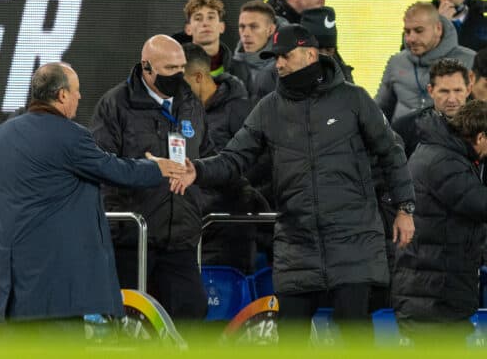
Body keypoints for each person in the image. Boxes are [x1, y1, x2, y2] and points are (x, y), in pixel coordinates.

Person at [171, 24, 415, 343]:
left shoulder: (353, 99)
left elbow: (391, 152)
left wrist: (405, 208)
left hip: (352, 238)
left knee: (355, 331)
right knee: (290, 338)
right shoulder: (269, 109)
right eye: (275, 58)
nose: (279, 64)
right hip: (297, 243)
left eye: (285, 56)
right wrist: (197, 171)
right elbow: (234, 158)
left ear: (310, 54)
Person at [0, 62, 185, 322]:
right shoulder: (72, 137)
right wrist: (157, 168)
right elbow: (116, 171)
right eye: (76, 90)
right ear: (62, 94)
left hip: (6, 285)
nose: (80, 96)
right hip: (54, 284)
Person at [90, 35, 214, 320]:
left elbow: (207, 155)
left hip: (180, 236)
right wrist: (147, 170)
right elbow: (100, 164)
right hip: (131, 240)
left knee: (192, 312)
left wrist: (197, 184)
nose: (179, 75)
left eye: (182, 67)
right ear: (146, 67)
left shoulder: (190, 103)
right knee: (130, 324)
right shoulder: (115, 104)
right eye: (170, 69)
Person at [391, 100, 487, 344]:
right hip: (432, 297)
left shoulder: (442, 152)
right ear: (481, 137)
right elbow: (480, 205)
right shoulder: (445, 162)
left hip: (433, 290)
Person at [182, 43, 265, 274]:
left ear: (198, 77)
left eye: (181, 81)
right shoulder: (183, 112)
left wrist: (225, 187)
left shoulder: (240, 110)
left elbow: (256, 163)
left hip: (228, 226)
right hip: (194, 226)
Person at [375, 2, 475, 123]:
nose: (410, 38)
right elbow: (379, 110)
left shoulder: (470, 60)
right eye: (407, 31)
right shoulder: (396, 62)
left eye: (419, 31)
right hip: (401, 138)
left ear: (438, 29)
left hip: (452, 138)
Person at [255, 6, 353, 101]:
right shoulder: (271, 78)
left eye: (328, 50)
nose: (324, 56)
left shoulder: (342, 74)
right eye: (317, 50)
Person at [391, 58, 471, 158]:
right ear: (430, 91)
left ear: (468, 90)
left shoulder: (482, 127)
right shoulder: (404, 128)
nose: (451, 99)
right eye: (444, 91)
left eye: (458, 90)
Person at [182, 0, 249, 83]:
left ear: (222, 27)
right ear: (188, 29)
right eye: (198, 18)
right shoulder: (177, 68)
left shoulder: (241, 71)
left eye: (211, 17)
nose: (205, 23)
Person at [233, 0, 277, 98]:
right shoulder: (229, 68)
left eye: (254, 27)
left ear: (270, 30)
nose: (246, 33)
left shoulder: (285, 69)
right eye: (242, 27)